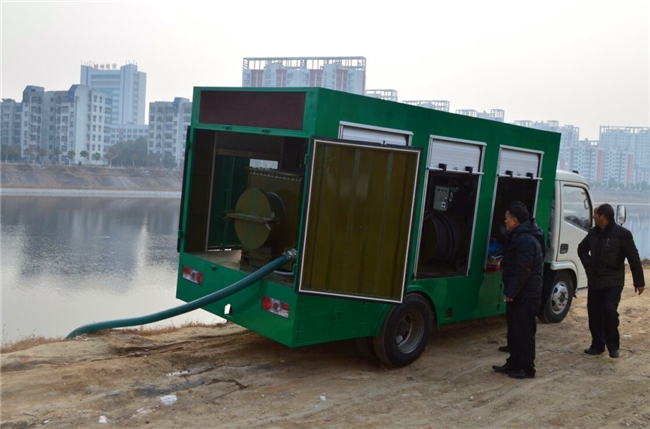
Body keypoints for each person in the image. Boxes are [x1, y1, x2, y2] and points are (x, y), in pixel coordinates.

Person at [578, 203, 645, 358]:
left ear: (603, 216)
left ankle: (613, 346)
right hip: (595, 280)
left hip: (613, 281)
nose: (593, 216)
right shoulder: (593, 233)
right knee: (594, 313)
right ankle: (597, 345)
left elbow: (633, 258)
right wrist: (589, 265)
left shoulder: (622, 234)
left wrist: (639, 281)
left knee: (609, 311)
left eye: (595, 214)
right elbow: (581, 249)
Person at [492, 202, 544, 379]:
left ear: (514, 221)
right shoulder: (518, 236)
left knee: (524, 331)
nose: (504, 221)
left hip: (526, 295)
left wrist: (511, 292)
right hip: (519, 294)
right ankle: (514, 362)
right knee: (514, 330)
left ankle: (527, 368)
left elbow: (523, 269)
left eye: (506, 218)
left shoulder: (526, 240)